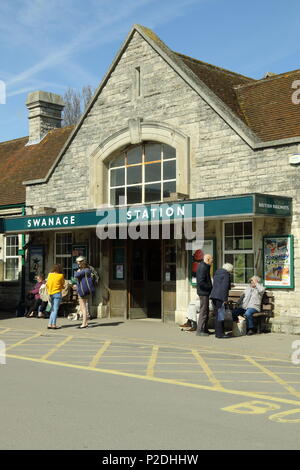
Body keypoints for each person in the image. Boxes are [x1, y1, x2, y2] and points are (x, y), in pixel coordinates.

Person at [210, 263, 233, 338]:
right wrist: (225, 299)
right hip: (220, 297)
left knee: (217, 315)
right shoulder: (226, 274)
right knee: (220, 316)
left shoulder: (217, 273)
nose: (231, 272)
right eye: (231, 271)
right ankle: (220, 334)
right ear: (229, 270)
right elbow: (225, 287)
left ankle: (218, 332)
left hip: (214, 296)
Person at [74, 258, 95, 328]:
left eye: (79, 263)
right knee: (84, 307)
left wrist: (78, 271)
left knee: (83, 307)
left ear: (82, 263)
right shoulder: (88, 270)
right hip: (86, 290)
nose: (78, 264)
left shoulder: (84, 270)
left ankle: (84, 323)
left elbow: (76, 275)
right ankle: (85, 322)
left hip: (82, 291)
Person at [196, 254, 213, 336]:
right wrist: (210, 287)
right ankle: (200, 330)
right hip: (203, 293)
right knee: (203, 311)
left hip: (204, 292)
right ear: (208, 259)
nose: (212, 261)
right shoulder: (203, 267)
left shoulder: (205, 266)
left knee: (206, 311)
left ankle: (205, 329)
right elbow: (201, 282)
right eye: (211, 259)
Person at [46, 264, 65, 329]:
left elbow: (47, 284)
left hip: (50, 293)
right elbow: (63, 284)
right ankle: (53, 324)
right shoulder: (61, 276)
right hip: (57, 293)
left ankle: (49, 324)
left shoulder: (50, 275)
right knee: (55, 309)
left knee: (52, 309)